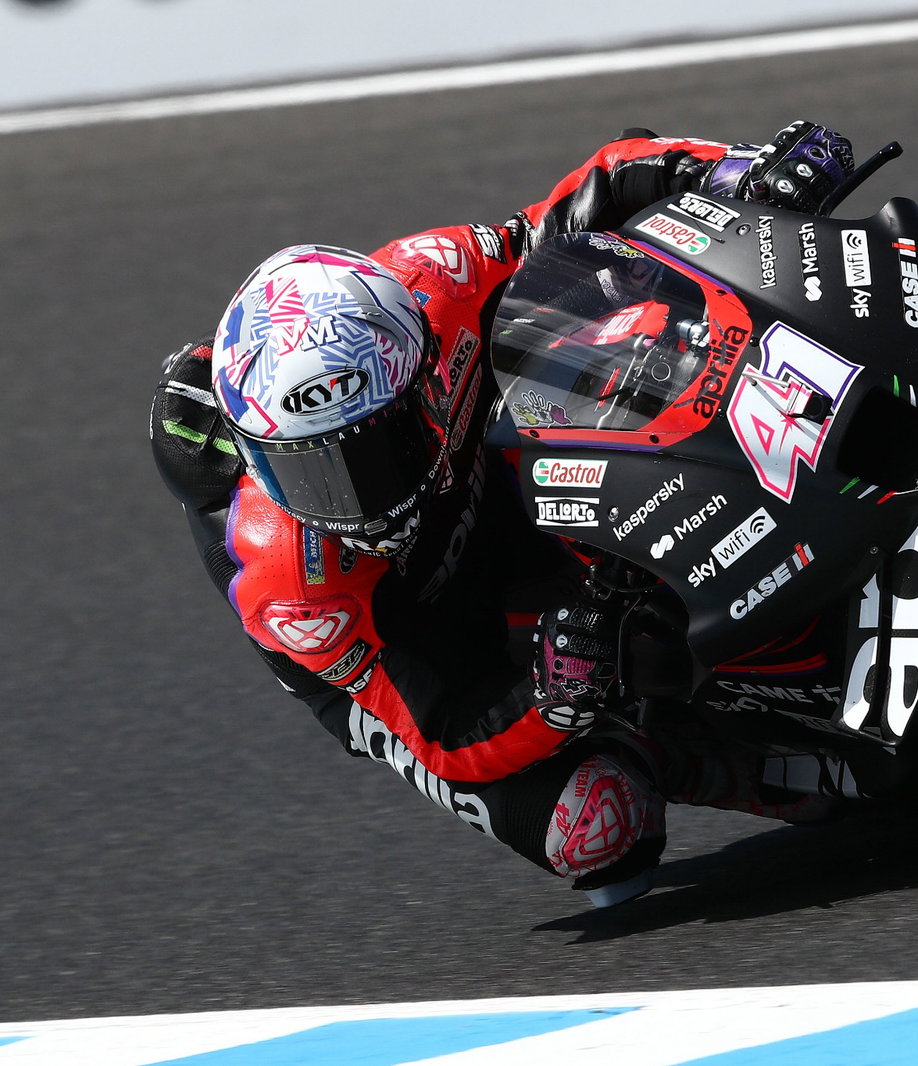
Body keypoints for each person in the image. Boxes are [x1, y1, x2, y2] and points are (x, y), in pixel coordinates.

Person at [149, 122, 856, 908]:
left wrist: (747, 174)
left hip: (489, 481)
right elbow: (445, 730)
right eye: (311, 474)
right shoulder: (291, 583)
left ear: (419, 379)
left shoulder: (430, 283)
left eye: (373, 452)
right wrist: (554, 693)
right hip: (407, 639)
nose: (355, 500)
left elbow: (590, 199)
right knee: (596, 825)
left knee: (603, 311)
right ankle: (698, 747)